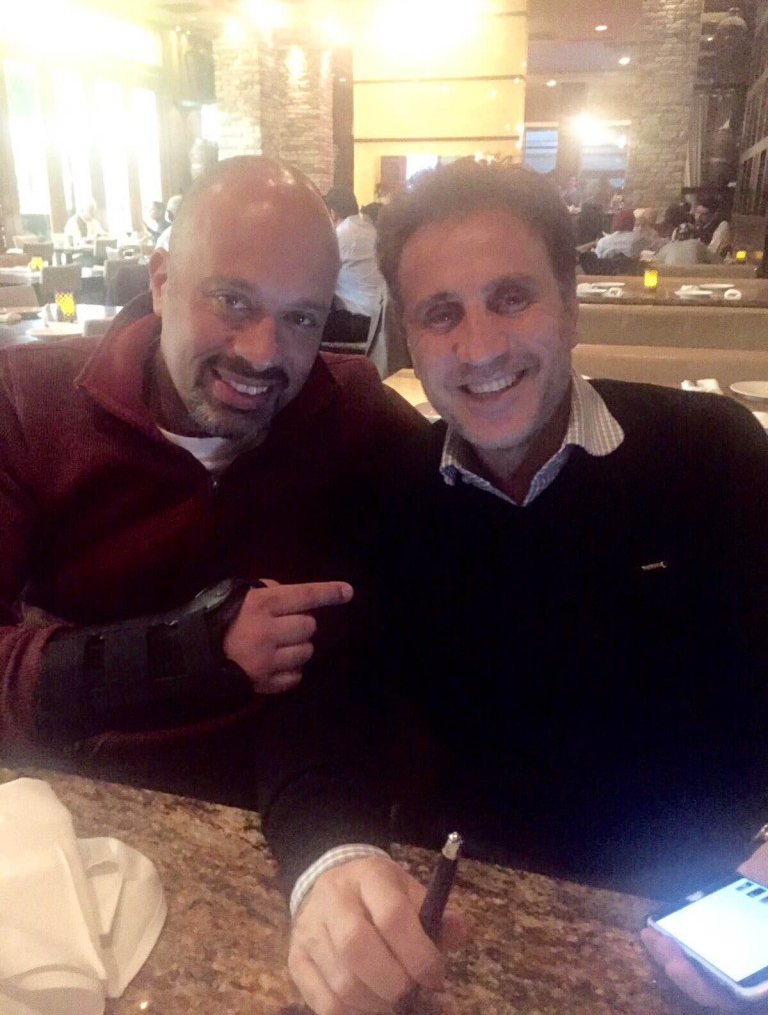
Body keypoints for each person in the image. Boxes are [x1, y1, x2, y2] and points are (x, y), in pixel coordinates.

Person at [255, 161, 768, 1015]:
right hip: (478, 929)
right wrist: (332, 857)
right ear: (407, 337)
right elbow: (315, 704)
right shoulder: (385, 493)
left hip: (718, 924)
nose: (481, 348)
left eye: (512, 298)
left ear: (571, 306)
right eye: (441, 314)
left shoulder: (714, 452)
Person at [0, 155, 423, 803]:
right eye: (232, 300)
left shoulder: (348, 408)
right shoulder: (26, 400)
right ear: (162, 281)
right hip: (79, 803)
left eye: (301, 318)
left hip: (285, 807)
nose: (262, 352)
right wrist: (188, 651)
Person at [322, 187, 386, 344]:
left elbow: (317, 279)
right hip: (383, 319)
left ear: (332, 213)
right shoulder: (372, 231)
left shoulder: (338, 236)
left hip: (358, 322)